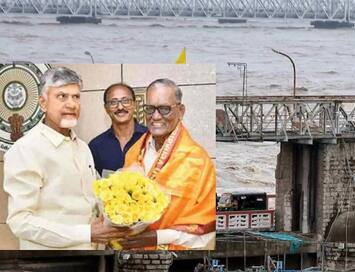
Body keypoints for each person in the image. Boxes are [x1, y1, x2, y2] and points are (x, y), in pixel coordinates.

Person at [3, 67, 131, 249]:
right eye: (62, 96)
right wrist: (87, 233)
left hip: (90, 260)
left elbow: (93, 200)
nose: (71, 104)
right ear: (43, 103)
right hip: (51, 267)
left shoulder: (83, 148)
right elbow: (20, 221)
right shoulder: (25, 150)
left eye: (76, 97)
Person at [118, 78, 216, 250]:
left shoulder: (198, 161)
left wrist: (157, 237)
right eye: (150, 109)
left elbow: (207, 229)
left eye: (164, 109)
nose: (156, 117)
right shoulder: (133, 152)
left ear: (181, 110)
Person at [89, 83, 148, 176]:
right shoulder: (96, 146)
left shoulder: (150, 138)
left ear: (134, 104)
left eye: (126, 101)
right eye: (113, 102)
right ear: (106, 108)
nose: (120, 107)